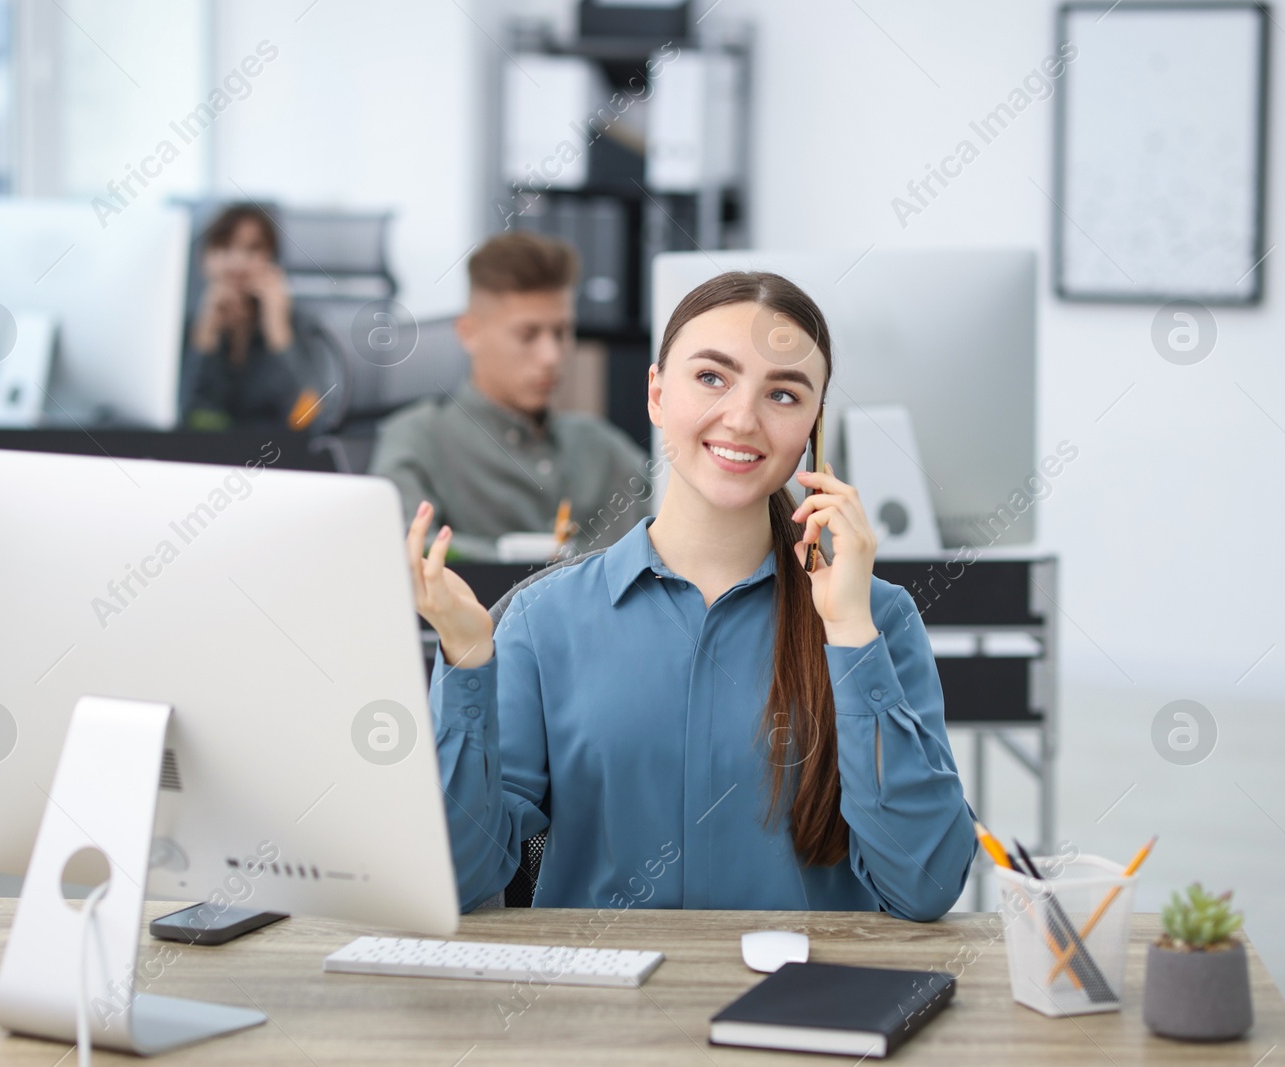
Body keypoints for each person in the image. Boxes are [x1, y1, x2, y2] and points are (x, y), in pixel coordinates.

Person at [408, 270, 976, 917]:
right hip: (597, 1004)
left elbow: (924, 886)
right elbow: (459, 877)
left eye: (783, 394)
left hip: (805, 1003)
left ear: (815, 428)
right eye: (712, 377)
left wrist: (849, 634)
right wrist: (465, 662)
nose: (741, 418)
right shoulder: (544, 619)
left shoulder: (878, 620)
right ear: (655, 393)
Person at [369, 231, 651, 559]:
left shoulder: (600, 446)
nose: (551, 356)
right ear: (469, 333)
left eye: (561, 333)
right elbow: (405, 550)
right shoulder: (420, 439)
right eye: (527, 335)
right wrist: (521, 556)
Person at [181, 204, 325, 430]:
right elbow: (180, 418)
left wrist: (278, 332)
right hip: (205, 459)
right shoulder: (184, 329)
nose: (236, 262)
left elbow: (309, 418)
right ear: (203, 259)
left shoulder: (300, 325)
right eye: (223, 247)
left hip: (274, 458)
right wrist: (205, 335)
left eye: (252, 249)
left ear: (273, 259)